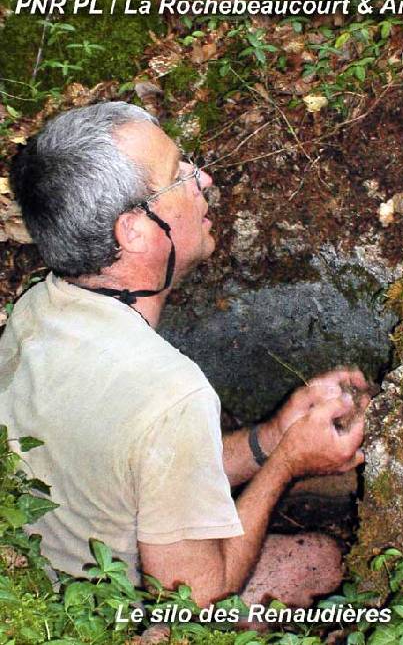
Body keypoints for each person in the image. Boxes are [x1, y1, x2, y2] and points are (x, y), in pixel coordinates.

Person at [1, 102, 370, 608]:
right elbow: (195, 604)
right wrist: (286, 464)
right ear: (132, 230)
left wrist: (273, 437)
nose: (204, 178)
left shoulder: (38, 310)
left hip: (35, 577)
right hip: (104, 619)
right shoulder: (171, 391)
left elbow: (153, 466)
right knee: (319, 562)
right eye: (179, 176)